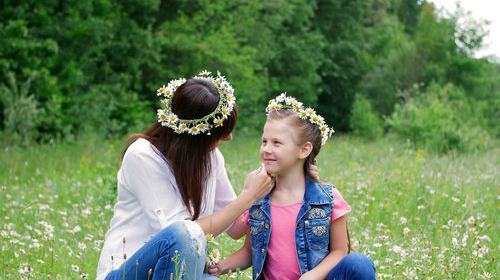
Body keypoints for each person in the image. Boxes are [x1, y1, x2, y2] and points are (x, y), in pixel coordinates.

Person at [96, 71, 275, 280]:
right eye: (220, 132)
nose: (229, 138)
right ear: (196, 136)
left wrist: (274, 186)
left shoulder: (210, 158)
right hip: (128, 272)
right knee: (183, 233)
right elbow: (181, 237)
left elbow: (234, 228)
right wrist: (248, 197)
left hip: (181, 273)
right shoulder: (142, 155)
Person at [208, 93, 376, 280]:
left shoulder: (328, 199)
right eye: (264, 141)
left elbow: (339, 252)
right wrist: (220, 266)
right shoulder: (259, 199)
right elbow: (249, 252)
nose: (267, 149)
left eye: (277, 143)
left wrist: (310, 277)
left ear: (304, 149)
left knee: (359, 264)